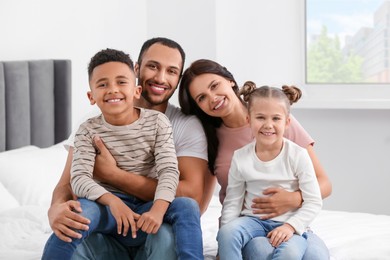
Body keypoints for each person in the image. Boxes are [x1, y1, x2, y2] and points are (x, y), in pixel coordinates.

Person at [47, 38, 215, 259]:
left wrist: (113, 174)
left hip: (152, 219)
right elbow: (69, 182)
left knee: (170, 230)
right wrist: (55, 210)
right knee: (76, 221)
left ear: (178, 78)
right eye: (153, 66)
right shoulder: (90, 125)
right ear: (137, 69)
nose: (161, 77)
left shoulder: (175, 124)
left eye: (171, 71)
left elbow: (190, 195)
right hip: (105, 214)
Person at [178, 59, 332, 259]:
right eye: (202, 98)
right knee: (263, 251)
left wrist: (292, 199)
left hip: (290, 220)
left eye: (215, 86)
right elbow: (203, 199)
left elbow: (324, 184)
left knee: (316, 257)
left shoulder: (276, 119)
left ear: (229, 80)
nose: (213, 98)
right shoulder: (208, 138)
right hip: (247, 225)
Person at [217, 84, 323, 259]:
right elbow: (233, 201)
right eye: (260, 117)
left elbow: (313, 201)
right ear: (248, 120)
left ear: (287, 122)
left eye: (276, 118)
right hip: (253, 221)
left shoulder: (298, 155)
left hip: (288, 224)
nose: (268, 125)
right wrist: (225, 240)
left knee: (289, 252)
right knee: (227, 232)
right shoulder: (240, 157)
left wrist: (291, 226)